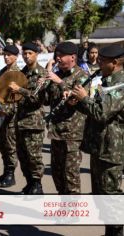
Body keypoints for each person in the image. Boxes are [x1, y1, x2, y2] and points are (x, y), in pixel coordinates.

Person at [71, 44, 124, 236]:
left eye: (102, 61)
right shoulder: (108, 81)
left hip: (113, 150)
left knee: (111, 197)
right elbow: (94, 109)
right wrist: (77, 102)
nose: (98, 63)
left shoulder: (121, 85)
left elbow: (102, 113)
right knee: (101, 196)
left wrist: (84, 98)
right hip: (100, 147)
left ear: (115, 62)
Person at [43, 41, 88, 194]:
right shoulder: (57, 74)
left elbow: (73, 101)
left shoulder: (81, 76)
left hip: (72, 135)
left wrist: (60, 82)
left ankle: (73, 214)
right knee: (57, 174)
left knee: (71, 176)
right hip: (56, 133)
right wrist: (44, 80)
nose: (58, 59)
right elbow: (46, 100)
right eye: (57, 56)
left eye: (62, 56)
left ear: (73, 58)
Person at [8, 42, 47, 194]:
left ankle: (38, 185)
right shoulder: (22, 72)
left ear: (36, 54)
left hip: (34, 121)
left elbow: (37, 99)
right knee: (22, 155)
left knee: (34, 156)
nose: (26, 56)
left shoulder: (41, 74)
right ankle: (30, 183)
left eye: (30, 53)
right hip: (21, 119)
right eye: (24, 53)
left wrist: (20, 90)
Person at [0, 45, 20, 188]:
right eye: (4, 54)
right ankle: (5, 171)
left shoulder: (18, 73)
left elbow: (17, 98)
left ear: (16, 56)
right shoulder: (3, 71)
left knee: (10, 145)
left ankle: (11, 174)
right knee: (2, 144)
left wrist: (6, 111)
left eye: (9, 55)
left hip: (11, 115)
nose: (6, 57)